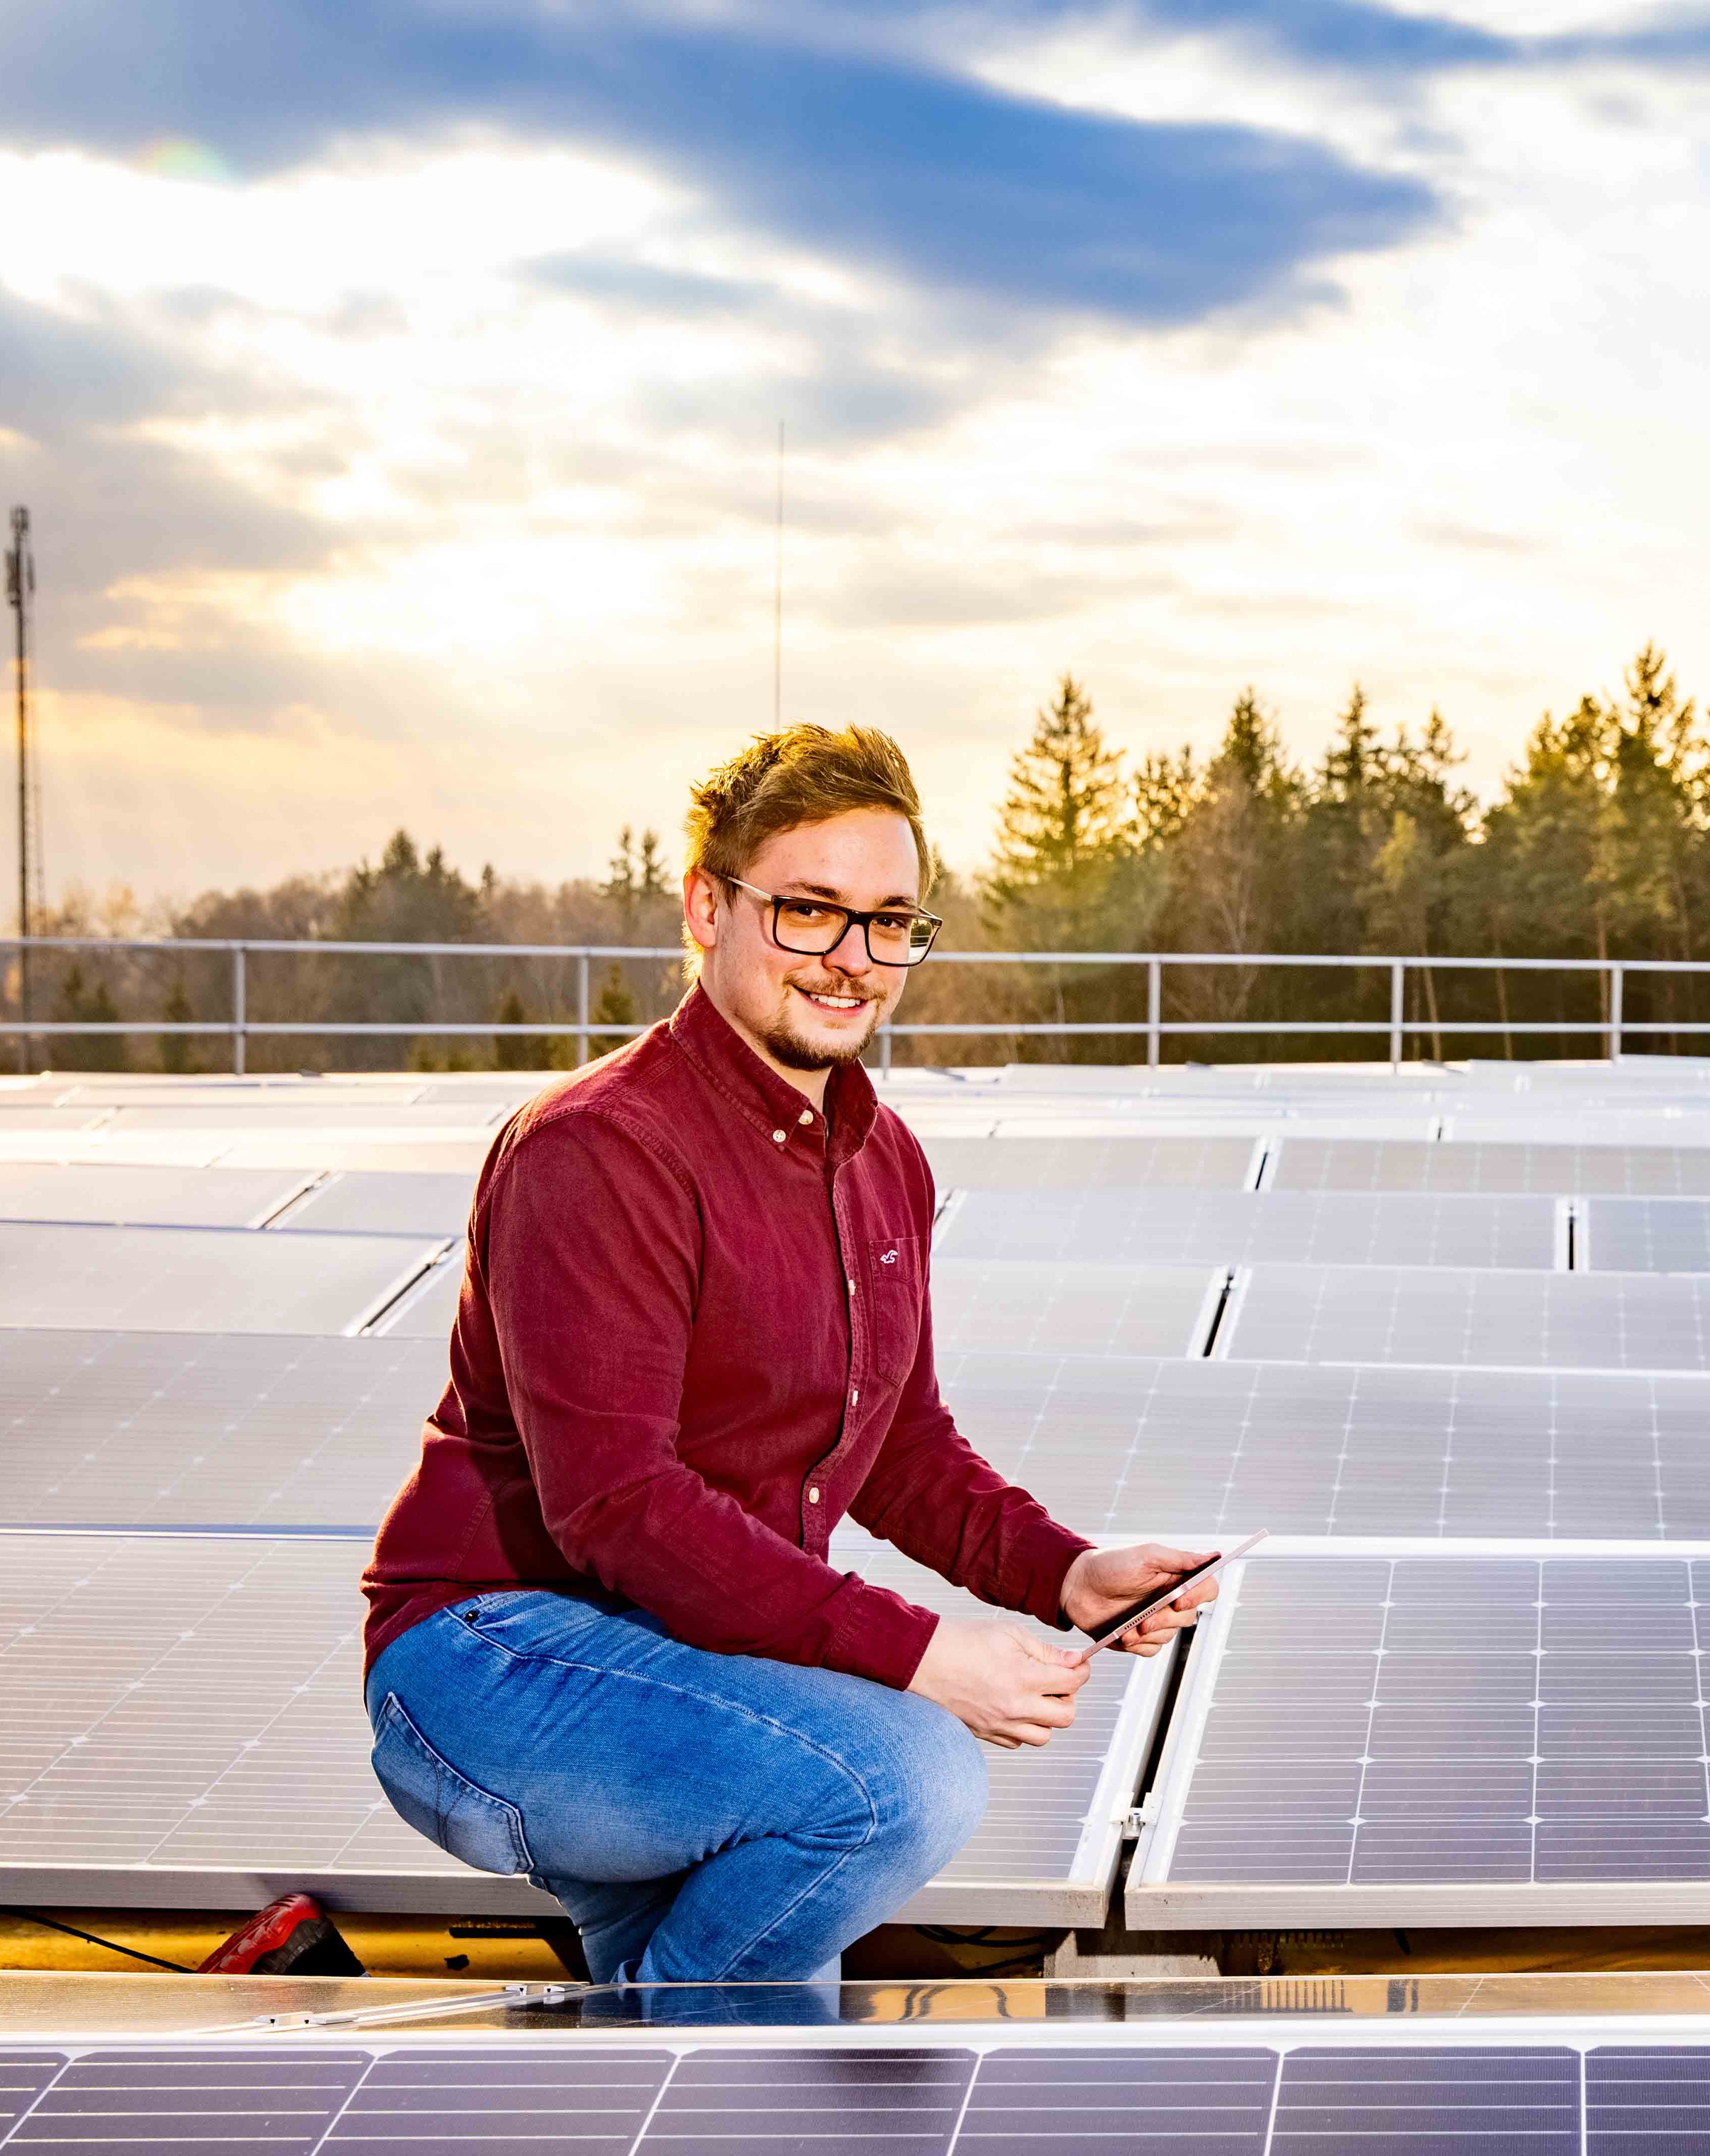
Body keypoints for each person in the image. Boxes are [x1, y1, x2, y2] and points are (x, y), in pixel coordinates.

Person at [356, 724, 1216, 1984]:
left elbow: (900, 1447)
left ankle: (687, 2124)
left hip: (700, 1667)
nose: (853, 960)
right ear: (707, 906)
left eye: (890, 922)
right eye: (808, 912)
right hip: (496, 1660)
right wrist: (926, 1653)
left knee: (750, 2045)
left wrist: (1067, 1573)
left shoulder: (884, 1162)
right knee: (898, 1779)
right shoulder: (599, 1151)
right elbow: (620, 1509)